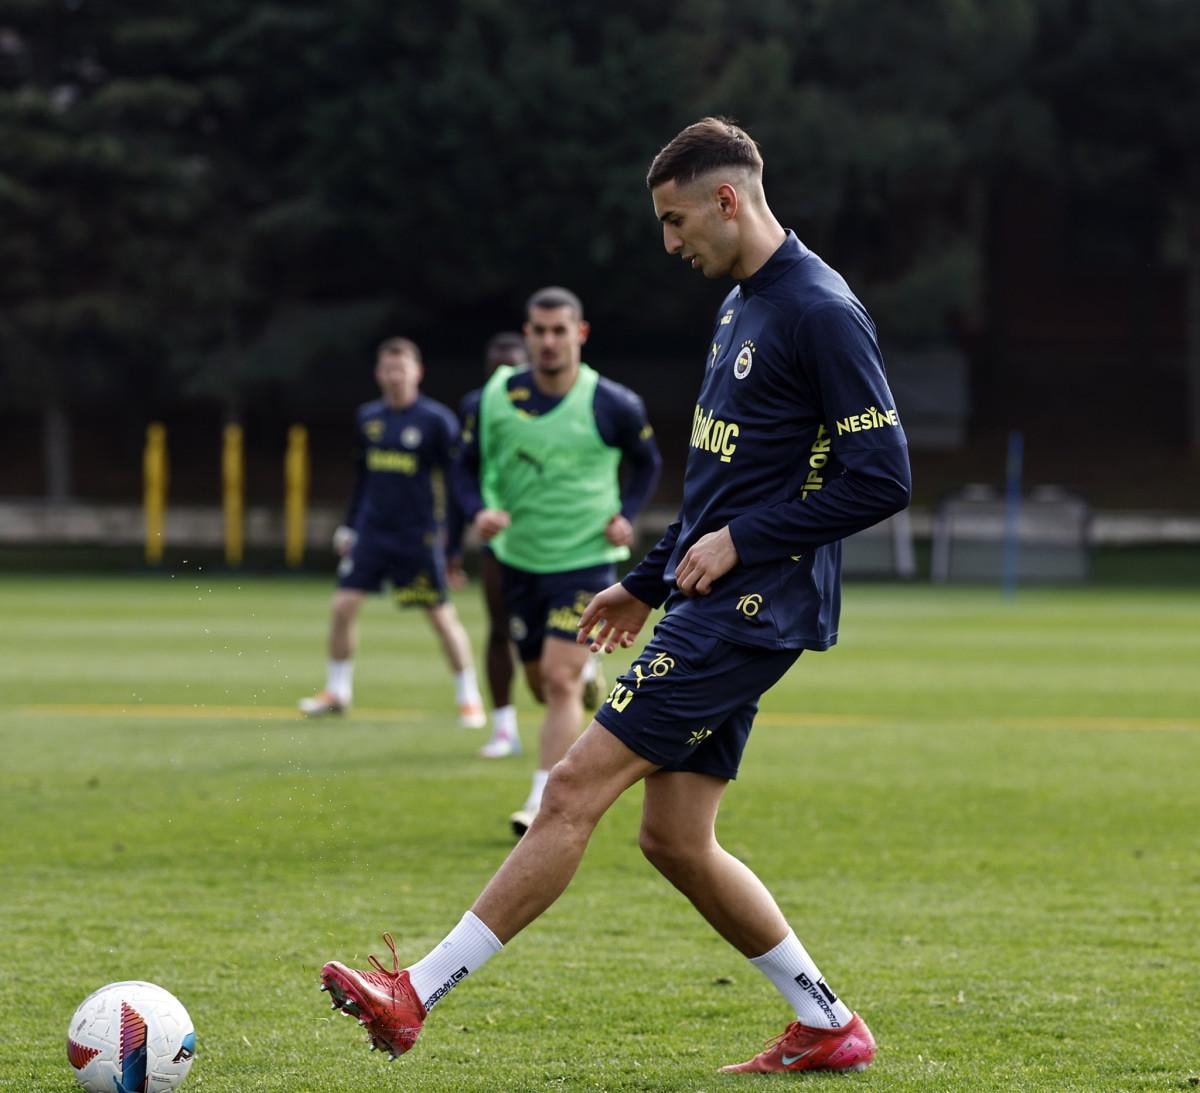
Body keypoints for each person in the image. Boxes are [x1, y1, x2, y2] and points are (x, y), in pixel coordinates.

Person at [318, 118, 911, 1075]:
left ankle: (414, 993)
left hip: (753, 607)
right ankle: (828, 1022)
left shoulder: (819, 309)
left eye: (676, 221)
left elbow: (882, 476)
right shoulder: (742, 305)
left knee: (570, 788)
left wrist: (745, 542)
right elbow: (720, 482)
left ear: (727, 199)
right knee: (676, 839)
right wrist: (644, 581)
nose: (669, 243)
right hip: (714, 600)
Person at [450, 286, 661, 829]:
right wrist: (477, 511)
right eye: (539, 331)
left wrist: (627, 514)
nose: (549, 341)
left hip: (585, 560)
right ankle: (586, 669)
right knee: (540, 683)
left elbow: (648, 462)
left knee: (559, 679)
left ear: (579, 334)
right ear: (527, 335)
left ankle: (541, 801)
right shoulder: (494, 399)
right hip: (518, 559)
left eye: (559, 330)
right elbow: (463, 465)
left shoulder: (612, 403)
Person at [298, 336, 486, 729]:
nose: (394, 376)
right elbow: (363, 478)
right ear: (378, 373)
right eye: (388, 368)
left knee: (440, 616)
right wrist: (350, 525)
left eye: (401, 368)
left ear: (418, 372)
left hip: (417, 537)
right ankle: (337, 692)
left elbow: (456, 484)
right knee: (342, 607)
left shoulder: (436, 421)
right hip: (371, 533)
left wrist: (451, 540)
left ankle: (469, 697)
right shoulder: (368, 418)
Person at [446, 332, 532, 759]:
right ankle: (503, 729)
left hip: (557, 537)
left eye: (511, 370)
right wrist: (454, 543)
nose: (503, 379)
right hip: (500, 535)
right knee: (499, 627)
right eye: (496, 371)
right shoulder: (477, 407)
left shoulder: (557, 400)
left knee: (552, 645)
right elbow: (462, 473)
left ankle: (580, 672)